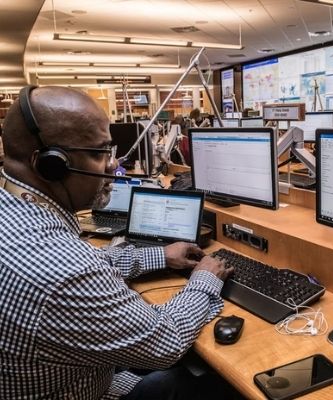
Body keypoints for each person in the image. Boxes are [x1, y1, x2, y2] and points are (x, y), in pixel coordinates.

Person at [0, 86, 234, 399]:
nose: (113, 166)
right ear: (50, 164)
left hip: (72, 377)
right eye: (100, 153)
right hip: (83, 391)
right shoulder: (63, 268)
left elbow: (93, 265)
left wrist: (160, 256)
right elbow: (165, 342)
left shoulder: (17, 213)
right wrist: (205, 279)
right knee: (209, 382)